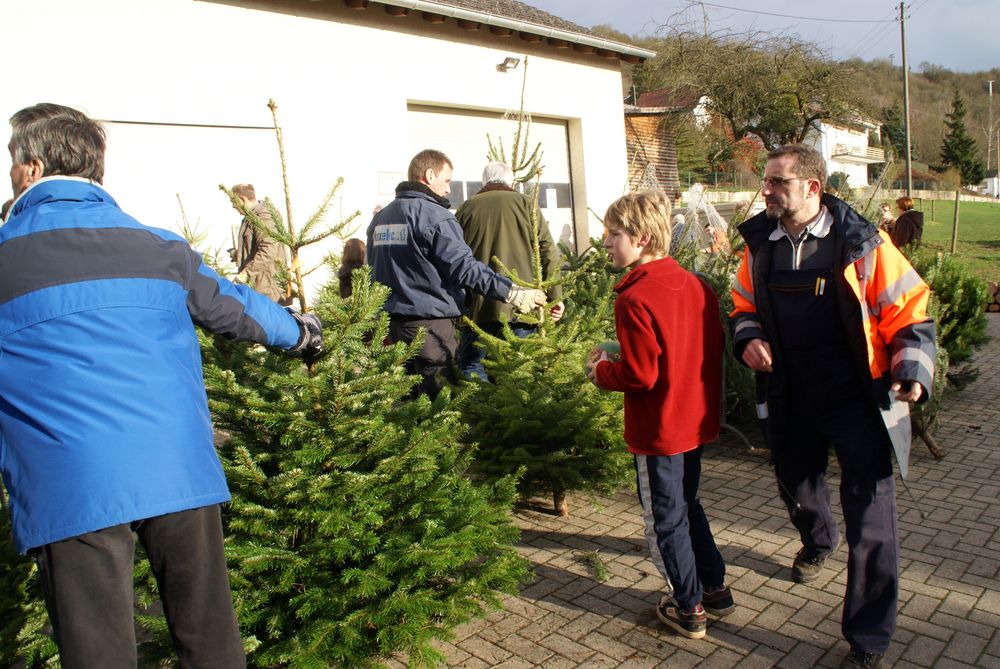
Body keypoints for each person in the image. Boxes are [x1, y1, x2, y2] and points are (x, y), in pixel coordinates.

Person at [1, 102, 323, 668]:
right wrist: (300, 333)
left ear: (29, 168)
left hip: (74, 484)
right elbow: (235, 307)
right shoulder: (160, 247)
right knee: (209, 637)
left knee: (98, 651)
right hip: (178, 467)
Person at [730, 144, 936, 669]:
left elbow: (909, 310)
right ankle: (817, 539)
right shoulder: (760, 247)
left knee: (872, 516)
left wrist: (911, 371)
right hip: (790, 394)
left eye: (778, 182)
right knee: (796, 482)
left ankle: (868, 639)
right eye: (768, 181)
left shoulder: (865, 245)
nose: (767, 190)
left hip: (856, 399)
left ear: (813, 188)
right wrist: (748, 337)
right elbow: (743, 306)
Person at [586, 191, 734, 641]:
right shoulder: (696, 284)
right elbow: (696, 347)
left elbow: (641, 373)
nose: (607, 242)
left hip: (660, 430)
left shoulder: (633, 297)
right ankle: (714, 588)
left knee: (663, 516)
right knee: (688, 504)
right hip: (694, 420)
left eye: (615, 234)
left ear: (642, 237)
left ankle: (686, 606)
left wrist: (600, 371)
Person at [366, 149, 545, 399]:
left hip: (392, 328)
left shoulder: (381, 219)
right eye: (447, 180)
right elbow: (465, 268)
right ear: (430, 175)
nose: (449, 189)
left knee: (407, 402)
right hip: (430, 329)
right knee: (440, 406)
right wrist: (511, 292)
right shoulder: (434, 216)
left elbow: (371, 272)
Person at [454, 161, 564, 380]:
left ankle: (479, 414)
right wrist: (555, 296)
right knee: (519, 372)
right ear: (511, 181)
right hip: (523, 308)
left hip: (477, 308)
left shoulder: (466, 208)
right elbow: (548, 251)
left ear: (483, 182)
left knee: (473, 367)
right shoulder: (526, 204)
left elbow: (453, 257)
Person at [229, 182, 288, 301]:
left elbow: (268, 251)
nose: (234, 208)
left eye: (234, 204)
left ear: (242, 199)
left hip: (267, 288)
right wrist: (238, 254)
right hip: (259, 287)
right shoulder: (250, 217)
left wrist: (245, 274)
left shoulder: (263, 216)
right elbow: (255, 248)